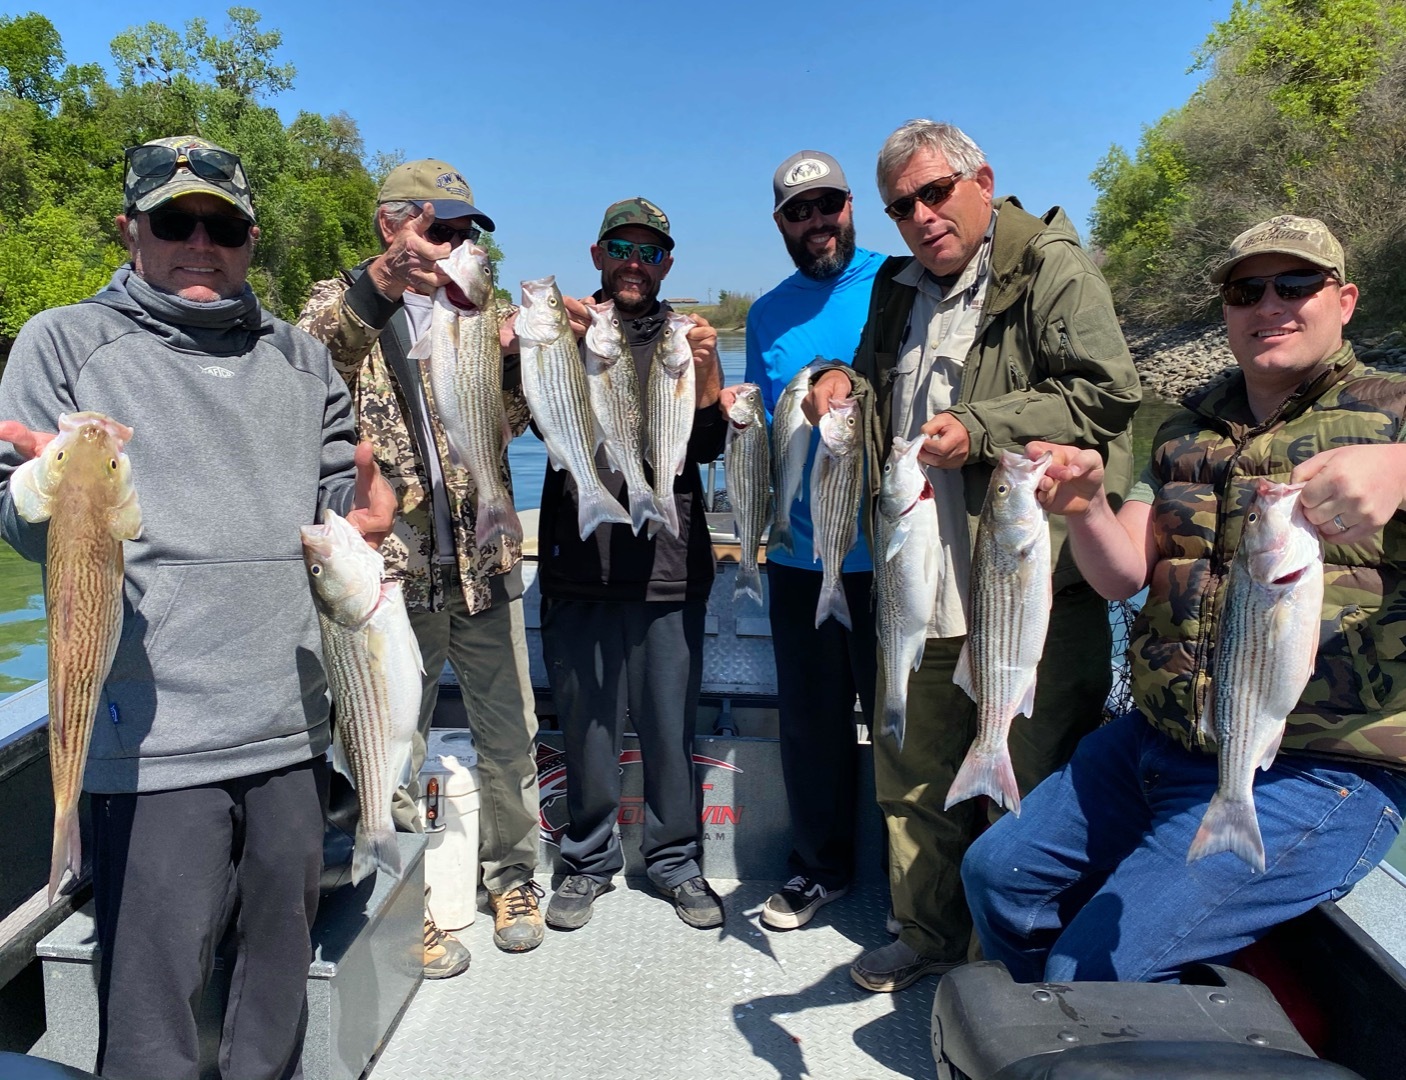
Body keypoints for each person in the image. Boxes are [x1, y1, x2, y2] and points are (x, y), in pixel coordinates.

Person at [0, 136, 394, 1079]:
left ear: (252, 238)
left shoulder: (302, 361)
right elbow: (17, 518)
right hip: (151, 736)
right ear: (132, 230)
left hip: (292, 728)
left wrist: (371, 521)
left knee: (276, 998)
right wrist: (35, 491)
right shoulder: (62, 341)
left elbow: (336, 505)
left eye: (223, 226)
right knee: (152, 1014)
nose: (200, 243)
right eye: (176, 222)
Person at [963, 215, 1406, 984]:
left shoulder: (1394, 411)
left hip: (1321, 770)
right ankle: (1065, 1039)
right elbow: (1123, 576)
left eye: (1296, 284)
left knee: (1097, 973)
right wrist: (1087, 509)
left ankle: (1094, 1021)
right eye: (1246, 290)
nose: (1270, 304)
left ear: (1345, 300)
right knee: (998, 875)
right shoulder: (1184, 427)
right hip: (1154, 742)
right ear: (1227, 311)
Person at [804, 120, 1141, 992]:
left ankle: (1007, 969)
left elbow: (1107, 397)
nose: (919, 216)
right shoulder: (894, 287)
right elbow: (886, 381)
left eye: (934, 193)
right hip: (919, 587)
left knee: (1027, 785)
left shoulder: (1051, 270)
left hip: (1029, 586)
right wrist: (839, 379)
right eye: (900, 206)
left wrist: (984, 429)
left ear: (980, 179)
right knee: (912, 776)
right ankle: (925, 932)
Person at [298, 159, 546, 970]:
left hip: (485, 560)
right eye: (440, 229)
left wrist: (526, 357)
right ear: (389, 227)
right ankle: (404, 904)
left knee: (509, 737)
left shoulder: (478, 310)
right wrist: (377, 289)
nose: (455, 246)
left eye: (466, 233)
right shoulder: (336, 305)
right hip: (391, 580)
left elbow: (508, 421)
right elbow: (306, 375)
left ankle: (513, 877)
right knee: (391, 739)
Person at [539, 197, 728, 932]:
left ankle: (676, 861)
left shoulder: (687, 339)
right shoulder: (570, 332)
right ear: (597, 255)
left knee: (666, 729)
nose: (634, 262)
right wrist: (538, 339)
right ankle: (586, 860)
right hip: (576, 565)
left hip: (670, 568)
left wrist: (707, 370)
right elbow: (526, 404)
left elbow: (707, 448)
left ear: (667, 265)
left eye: (650, 252)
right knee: (586, 724)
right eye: (621, 247)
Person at [725, 150, 887, 930]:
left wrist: (846, 384)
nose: (818, 221)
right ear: (782, 223)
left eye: (830, 204)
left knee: (905, 722)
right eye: (800, 210)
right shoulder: (765, 314)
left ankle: (917, 887)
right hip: (798, 558)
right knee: (811, 724)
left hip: (890, 553)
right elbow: (759, 431)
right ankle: (819, 868)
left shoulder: (900, 283)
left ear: (853, 206)